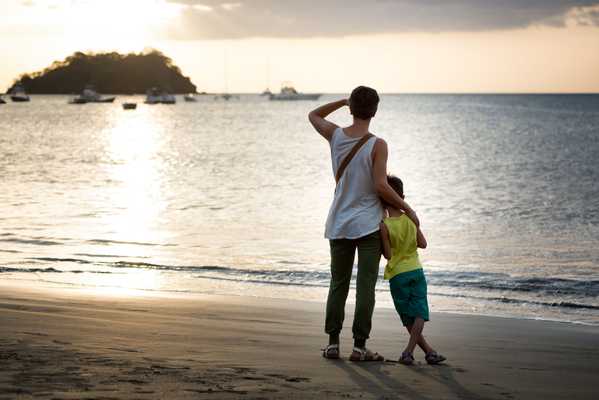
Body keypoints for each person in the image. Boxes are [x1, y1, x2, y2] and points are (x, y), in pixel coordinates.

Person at [308, 86, 420, 361]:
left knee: (338, 284)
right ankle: (359, 347)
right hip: (368, 225)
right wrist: (407, 207)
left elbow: (313, 114)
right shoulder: (377, 144)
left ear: (351, 108)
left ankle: (333, 344)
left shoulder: (334, 135)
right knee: (365, 287)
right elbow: (381, 185)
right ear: (375, 111)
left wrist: (342, 101)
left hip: (339, 223)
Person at [379, 175, 446, 365]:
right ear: (402, 197)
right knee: (419, 313)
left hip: (397, 275)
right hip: (415, 271)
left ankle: (412, 352)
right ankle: (423, 352)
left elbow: (388, 255)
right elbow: (423, 244)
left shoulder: (384, 225)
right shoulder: (410, 218)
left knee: (408, 316)